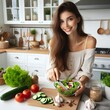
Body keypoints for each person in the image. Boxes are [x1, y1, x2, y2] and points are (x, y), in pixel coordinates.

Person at [46, 1, 97, 96]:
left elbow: (86, 71)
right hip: (59, 88)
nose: (66, 25)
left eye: (70, 19)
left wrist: (81, 82)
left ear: (78, 19)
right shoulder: (54, 42)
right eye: (61, 21)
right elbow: (50, 67)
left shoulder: (89, 42)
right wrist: (51, 71)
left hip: (78, 87)